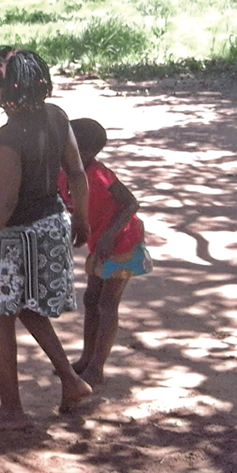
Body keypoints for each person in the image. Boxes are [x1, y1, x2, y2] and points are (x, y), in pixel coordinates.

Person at [0, 47, 94, 431]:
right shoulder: (58, 117)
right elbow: (77, 173)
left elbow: (6, 203)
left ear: (6, 89)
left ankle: (11, 409)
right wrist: (82, 217)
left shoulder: (9, 138)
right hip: (53, 224)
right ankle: (71, 380)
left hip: (20, 237)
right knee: (27, 308)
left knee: (0, 316)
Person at [58, 118, 153, 388]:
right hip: (98, 243)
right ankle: (87, 359)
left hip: (122, 242)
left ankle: (97, 367)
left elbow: (130, 203)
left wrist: (110, 234)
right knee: (91, 299)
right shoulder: (64, 173)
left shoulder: (100, 175)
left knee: (107, 304)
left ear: (86, 152)